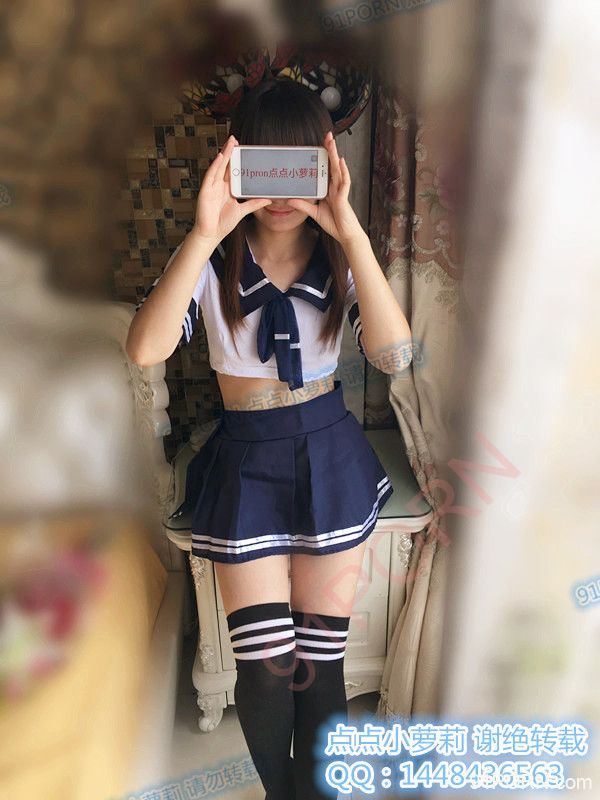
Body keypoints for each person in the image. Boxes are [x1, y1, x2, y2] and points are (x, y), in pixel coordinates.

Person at [126, 76, 412, 800]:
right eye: (266, 163)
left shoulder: (339, 258)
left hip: (330, 456)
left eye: (299, 165)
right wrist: (204, 231)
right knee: (263, 668)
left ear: (325, 164)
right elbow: (145, 348)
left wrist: (351, 232)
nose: (282, 191)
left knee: (320, 664)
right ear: (236, 162)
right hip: (246, 463)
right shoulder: (212, 261)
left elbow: (395, 355)